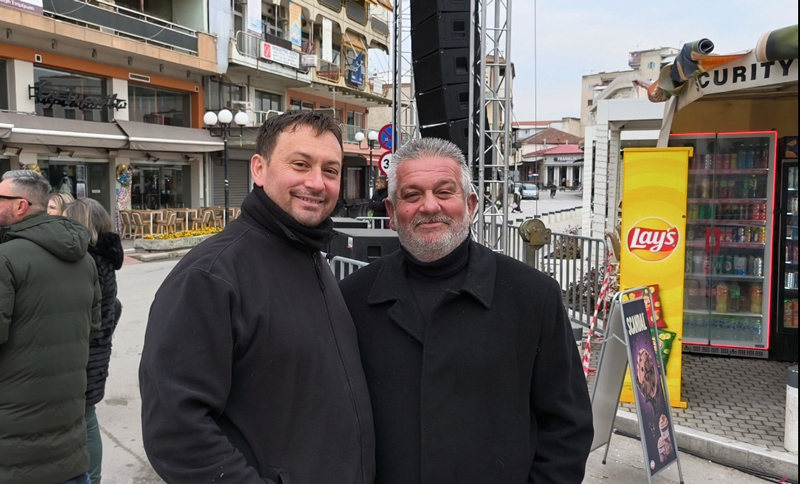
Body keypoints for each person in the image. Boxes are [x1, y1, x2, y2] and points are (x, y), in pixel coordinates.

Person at [339, 138, 593, 484]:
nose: (430, 206)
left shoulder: (533, 297)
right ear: (391, 212)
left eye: (445, 192)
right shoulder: (353, 298)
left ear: (471, 204)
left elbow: (567, 428)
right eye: (412, 195)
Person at [139, 111, 375, 484]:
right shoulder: (210, 276)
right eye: (300, 164)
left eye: (330, 170)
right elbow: (175, 432)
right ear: (259, 169)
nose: (316, 182)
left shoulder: (309, 254)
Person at [0, 170, 101, 484]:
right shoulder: (85, 259)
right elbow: (93, 327)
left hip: (14, 440)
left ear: (20, 206)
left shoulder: (6, 259)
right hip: (67, 434)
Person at [63, 198, 125, 484]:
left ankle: (93, 478)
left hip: (88, 353)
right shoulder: (103, 259)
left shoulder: (89, 263)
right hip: (97, 352)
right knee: (86, 418)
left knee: (85, 420)